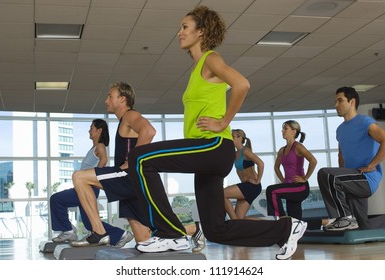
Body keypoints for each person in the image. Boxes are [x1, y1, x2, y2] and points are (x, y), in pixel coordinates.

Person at [128, 5, 307, 260]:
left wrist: (223, 122)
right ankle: (286, 228)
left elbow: (242, 84)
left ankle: (170, 234)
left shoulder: (211, 58)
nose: (179, 32)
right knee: (216, 230)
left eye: (184, 27)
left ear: (201, 32)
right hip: (207, 155)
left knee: (140, 157)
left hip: (212, 146)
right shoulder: (197, 68)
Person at [70, 82, 156, 247]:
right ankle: (192, 230)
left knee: (79, 177)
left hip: (127, 177)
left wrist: (131, 161)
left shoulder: (130, 115)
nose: (106, 100)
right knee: (144, 238)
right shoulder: (124, 121)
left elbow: (149, 131)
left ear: (122, 99)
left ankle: (99, 232)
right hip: (132, 182)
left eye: (110, 96)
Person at [318, 86, 385, 231]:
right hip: (351, 179)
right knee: (361, 227)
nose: (336, 105)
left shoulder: (365, 122)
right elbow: (341, 157)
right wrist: (340, 179)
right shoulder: (340, 130)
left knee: (325, 173)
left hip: (365, 178)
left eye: (340, 101)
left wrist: (372, 165)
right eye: (335, 102)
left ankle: (343, 218)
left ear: (352, 102)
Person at [50, 119, 109, 243]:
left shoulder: (100, 146)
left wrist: (94, 178)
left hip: (89, 188)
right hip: (86, 187)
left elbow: (104, 160)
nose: (89, 130)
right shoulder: (94, 147)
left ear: (99, 130)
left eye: (91, 128)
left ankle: (67, 231)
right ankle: (121, 234)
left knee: (56, 199)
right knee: (89, 223)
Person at [266, 120, 317, 220]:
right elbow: (276, 167)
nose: (283, 131)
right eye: (283, 129)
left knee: (271, 190)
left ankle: (282, 218)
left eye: (286, 129)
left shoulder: (298, 147)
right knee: (295, 222)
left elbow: (313, 161)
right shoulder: (282, 150)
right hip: (290, 187)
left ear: (294, 132)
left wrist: (305, 178)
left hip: (300, 187)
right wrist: (283, 180)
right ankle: (325, 222)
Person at [224, 129, 263, 219]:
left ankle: (234, 221)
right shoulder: (234, 153)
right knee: (241, 219)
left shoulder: (246, 151)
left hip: (252, 186)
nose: (231, 138)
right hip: (246, 186)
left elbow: (261, 163)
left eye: (233, 137)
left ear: (240, 138)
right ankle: (271, 225)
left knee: (222, 193)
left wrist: (257, 181)